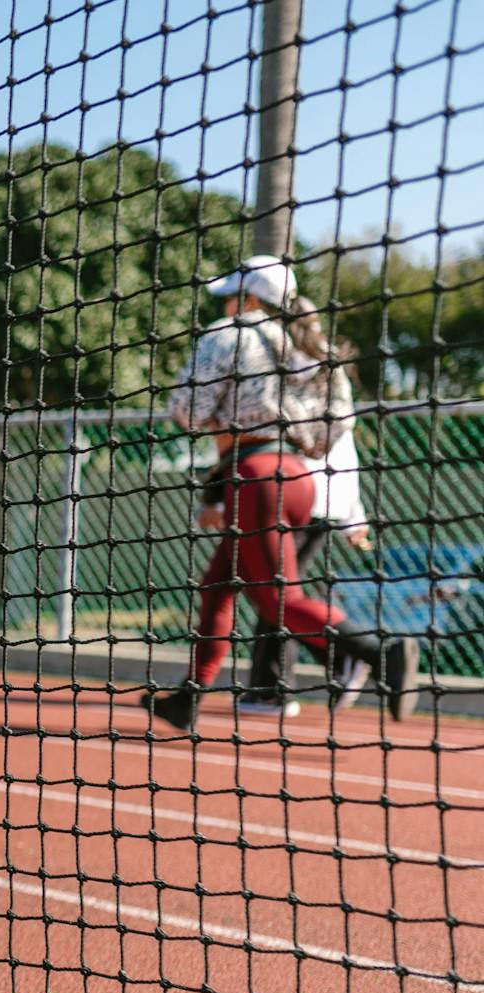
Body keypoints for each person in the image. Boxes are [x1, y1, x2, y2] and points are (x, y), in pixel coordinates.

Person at [144, 257, 419, 732]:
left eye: (232, 294)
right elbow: (330, 430)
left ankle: (380, 651)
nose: (227, 303)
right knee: (217, 586)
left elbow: (187, 409)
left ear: (250, 298)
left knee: (277, 601)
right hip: (295, 474)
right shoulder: (305, 342)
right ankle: (186, 699)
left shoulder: (230, 332)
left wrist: (221, 417)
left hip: (254, 476)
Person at [238, 411, 372, 717]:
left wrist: (355, 515)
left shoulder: (288, 380)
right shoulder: (327, 378)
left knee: (275, 595)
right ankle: (273, 687)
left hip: (294, 498)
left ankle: (336, 657)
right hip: (314, 500)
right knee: (271, 593)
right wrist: (353, 514)